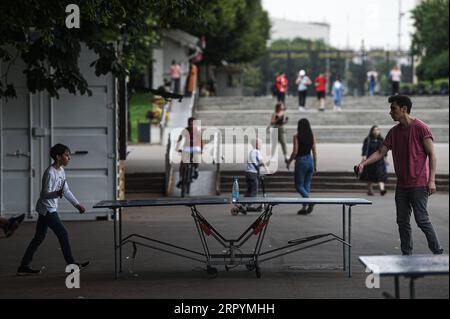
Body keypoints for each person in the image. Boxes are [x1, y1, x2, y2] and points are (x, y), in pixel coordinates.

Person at [354, 95, 443, 255]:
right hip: (402, 185)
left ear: (404, 109)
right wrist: (363, 164)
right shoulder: (394, 132)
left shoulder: (420, 128)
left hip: (419, 184)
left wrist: (432, 181)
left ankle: (437, 251)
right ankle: (406, 253)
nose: (390, 112)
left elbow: (432, 155)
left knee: (422, 220)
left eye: (393, 108)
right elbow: (381, 152)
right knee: (402, 222)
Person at [17, 144, 89, 275]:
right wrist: (56, 194)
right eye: (67, 155)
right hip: (47, 209)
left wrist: (77, 204)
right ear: (58, 156)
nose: (69, 158)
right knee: (63, 233)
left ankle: (23, 266)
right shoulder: (50, 173)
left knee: (38, 237)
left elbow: (65, 190)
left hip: (48, 209)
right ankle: (72, 265)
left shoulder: (61, 170)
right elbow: (44, 194)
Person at [287, 119, 318, 215]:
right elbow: (315, 152)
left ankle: (309, 201)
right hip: (310, 161)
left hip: (301, 161)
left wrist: (289, 161)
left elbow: (295, 152)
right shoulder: (312, 136)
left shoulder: (297, 136)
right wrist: (315, 165)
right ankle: (304, 207)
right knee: (306, 185)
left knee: (299, 186)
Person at [360, 125, 388, 196]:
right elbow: (365, 148)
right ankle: (370, 190)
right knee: (370, 176)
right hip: (370, 160)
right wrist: (364, 156)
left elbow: (384, 150)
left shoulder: (381, 139)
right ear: (371, 131)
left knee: (380, 174)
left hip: (379, 161)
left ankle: (382, 189)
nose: (376, 131)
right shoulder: (368, 139)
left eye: (377, 130)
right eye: (374, 130)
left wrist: (385, 158)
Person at [176, 117, 202, 188]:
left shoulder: (197, 131)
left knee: (196, 157)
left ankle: (196, 169)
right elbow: (180, 139)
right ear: (188, 123)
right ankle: (181, 178)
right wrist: (177, 147)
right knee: (182, 164)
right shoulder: (185, 130)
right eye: (190, 123)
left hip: (195, 147)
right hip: (187, 147)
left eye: (193, 123)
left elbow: (201, 140)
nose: (191, 125)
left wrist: (201, 149)